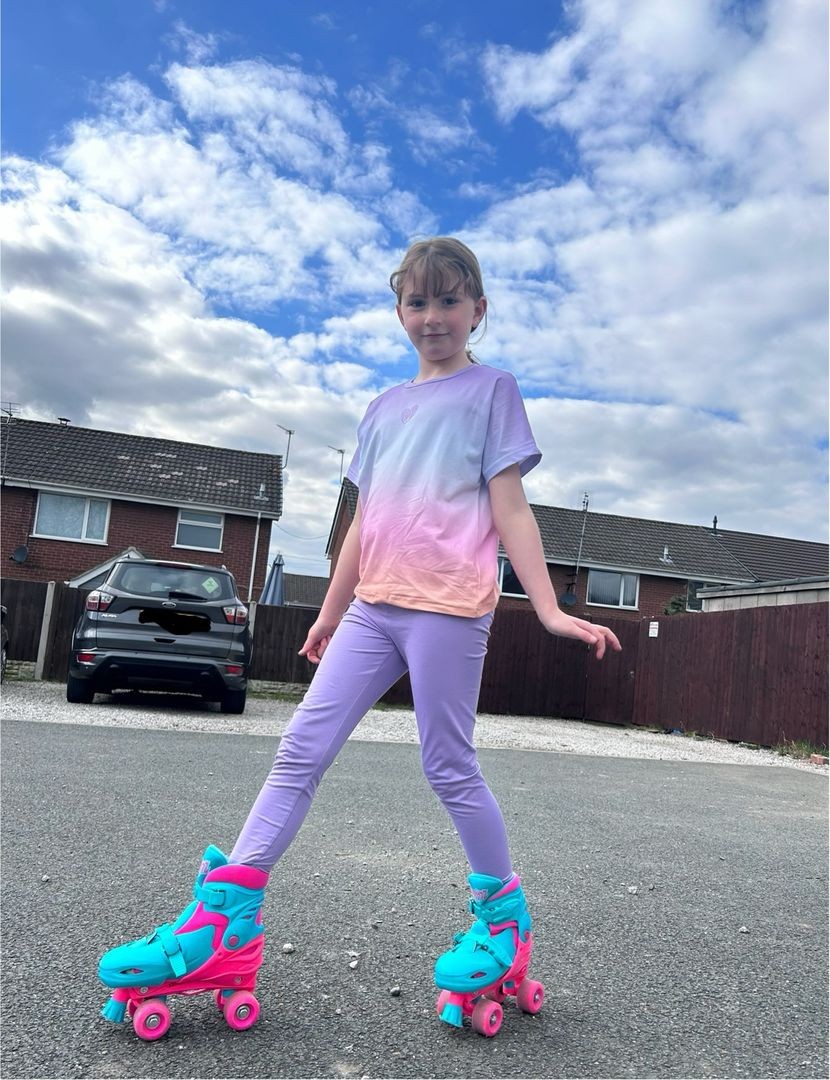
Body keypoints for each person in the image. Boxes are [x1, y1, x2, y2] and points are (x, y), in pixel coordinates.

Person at [98, 237, 622, 1036]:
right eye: (418, 301)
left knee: (447, 764)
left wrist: (548, 608)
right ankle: (223, 927)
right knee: (299, 749)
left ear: (478, 309)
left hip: (450, 607)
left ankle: (504, 923)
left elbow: (511, 507)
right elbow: (363, 525)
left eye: (450, 301)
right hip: (374, 608)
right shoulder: (381, 409)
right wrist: (330, 611)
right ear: (400, 311)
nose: (433, 316)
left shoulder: (492, 391)